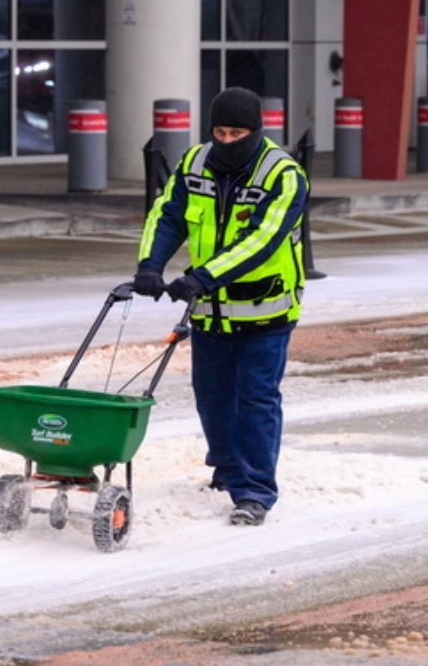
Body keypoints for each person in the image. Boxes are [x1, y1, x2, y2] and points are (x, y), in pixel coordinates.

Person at [132, 87, 309, 526]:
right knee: (212, 400)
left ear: (255, 132)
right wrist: (150, 266)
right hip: (209, 313)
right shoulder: (194, 163)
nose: (226, 141)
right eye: (220, 132)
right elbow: (167, 214)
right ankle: (228, 472)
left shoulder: (284, 175)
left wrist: (202, 277)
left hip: (264, 312)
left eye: (236, 134)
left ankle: (254, 492)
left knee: (255, 401)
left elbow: (261, 241)